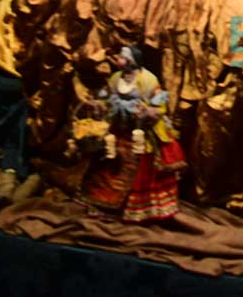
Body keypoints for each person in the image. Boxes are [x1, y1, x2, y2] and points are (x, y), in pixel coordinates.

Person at [78, 47, 186, 222]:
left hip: (141, 133)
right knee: (110, 166)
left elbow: (161, 103)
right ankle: (107, 205)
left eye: (124, 57)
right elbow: (106, 99)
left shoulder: (149, 79)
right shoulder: (115, 78)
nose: (120, 59)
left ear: (134, 60)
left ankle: (140, 208)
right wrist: (97, 104)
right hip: (118, 131)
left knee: (142, 168)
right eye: (120, 56)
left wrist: (149, 112)